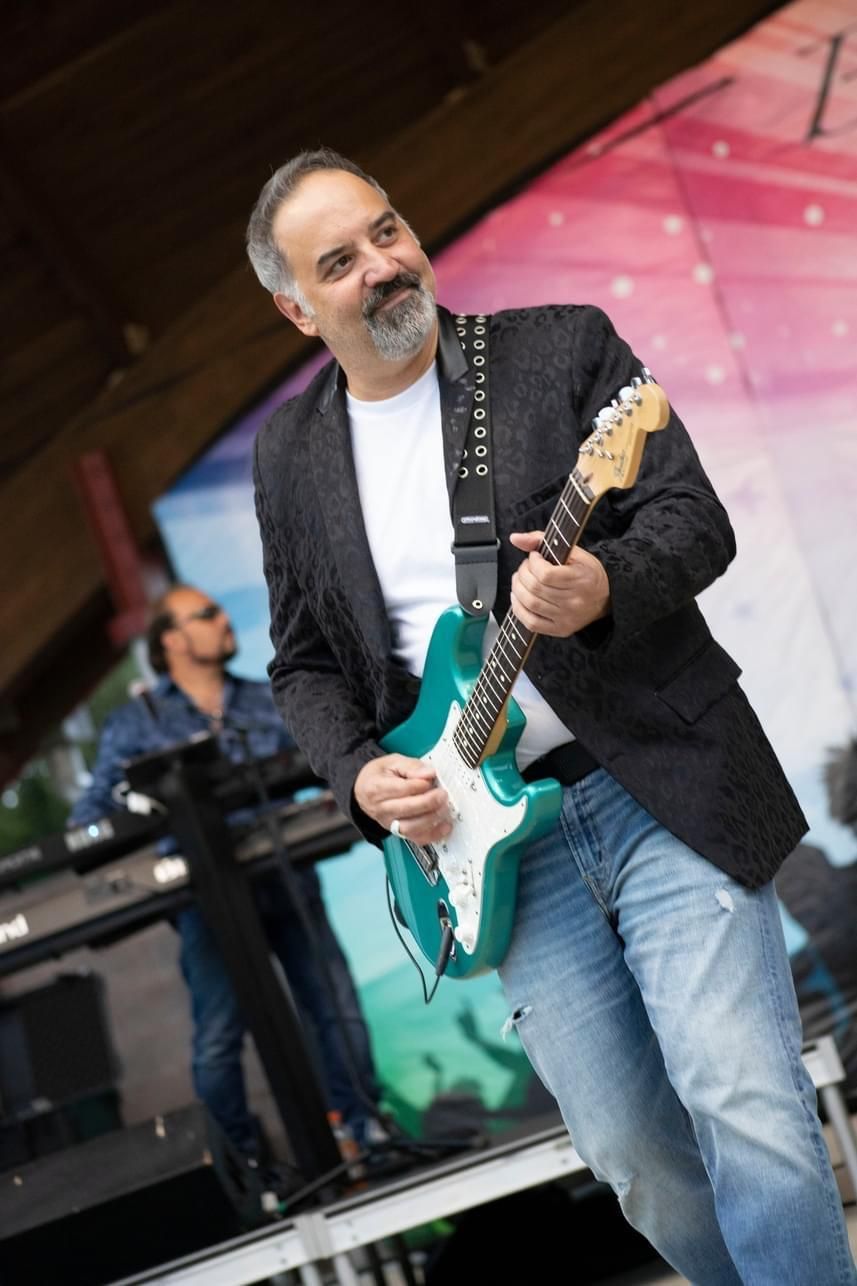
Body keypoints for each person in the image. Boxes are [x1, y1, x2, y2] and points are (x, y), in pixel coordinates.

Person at [246, 148, 856, 1282]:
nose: (382, 265)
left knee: (742, 1098)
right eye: (339, 262)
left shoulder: (557, 348)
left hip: (658, 782)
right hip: (492, 850)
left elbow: (691, 517)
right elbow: (304, 663)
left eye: (387, 230)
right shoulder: (289, 456)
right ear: (295, 309)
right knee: (633, 1155)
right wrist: (360, 775)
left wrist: (602, 585)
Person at [68, 583, 382, 1163]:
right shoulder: (135, 723)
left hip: (287, 877)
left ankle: (360, 1135)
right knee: (218, 1037)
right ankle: (243, 1167)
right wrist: (145, 809)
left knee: (334, 1006)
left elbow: (325, 764)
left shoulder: (266, 698)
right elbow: (87, 821)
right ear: (171, 640)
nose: (223, 621)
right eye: (206, 615)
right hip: (205, 901)